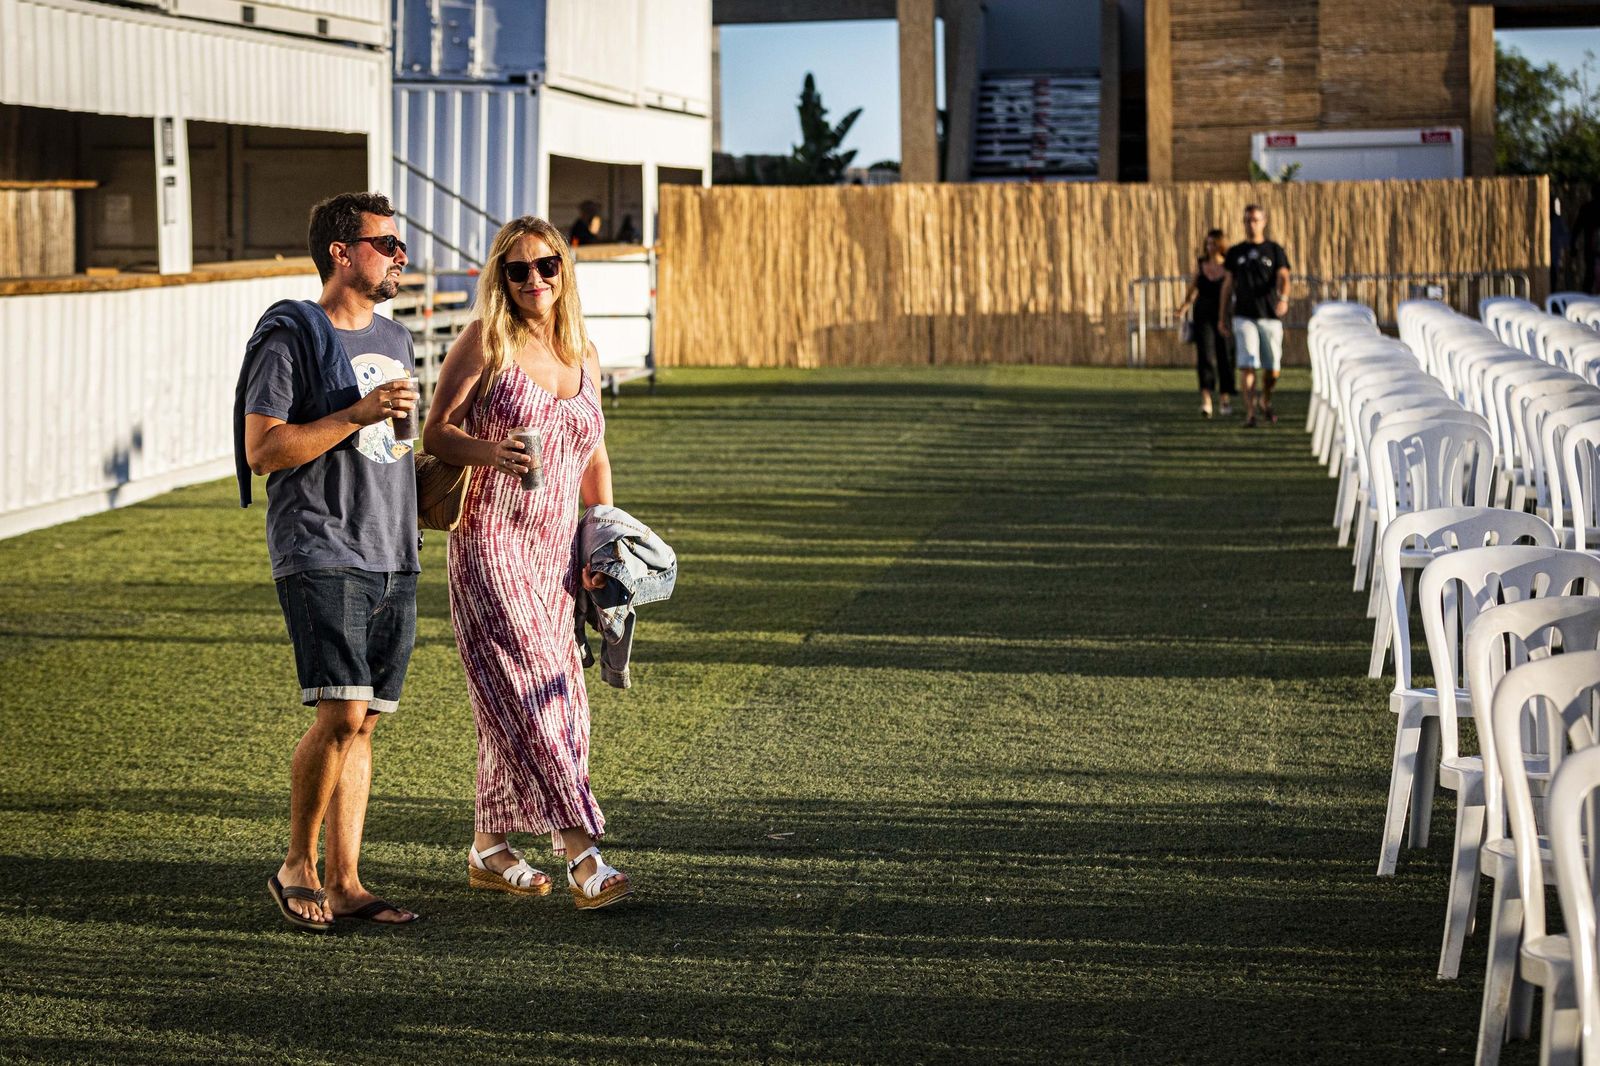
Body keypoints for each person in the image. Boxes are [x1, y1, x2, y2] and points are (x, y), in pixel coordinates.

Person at [422, 216, 633, 910]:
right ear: (501, 279)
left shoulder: (585, 352)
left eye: (546, 266)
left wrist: (600, 542)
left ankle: (488, 846)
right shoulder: (487, 339)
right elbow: (437, 431)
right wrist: (494, 454)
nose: (534, 280)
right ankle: (583, 853)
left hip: (554, 554)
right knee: (536, 698)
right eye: (518, 271)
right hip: (489, 543)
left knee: (538, 697)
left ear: (564, 270)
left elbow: (594, 456)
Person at [236, 191, 422, 931]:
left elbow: (396, 451)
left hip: (392, 549)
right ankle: (296, 866)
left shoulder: (399, 338)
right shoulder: (290, 335)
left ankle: (346, 881)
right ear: (341, 253)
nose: (399, 256)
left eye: (400, 244)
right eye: (385, 244)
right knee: (339, 710)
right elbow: (264, 449)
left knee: (365, 721)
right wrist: (355, 413)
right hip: (320, 545)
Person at [1219, 204, 1292, 428]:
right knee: (1248, 363)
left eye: (1256, 220)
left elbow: (1285, 277)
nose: (1252, 224)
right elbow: (1228, 285)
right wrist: (1223, 316)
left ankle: (1265, 399)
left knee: (1272, 369)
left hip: (1269, 315)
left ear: (1264, 221)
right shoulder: (1236, 252)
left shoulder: (1274, 250)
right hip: (1244, 316)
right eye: (1248, 220)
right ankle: (1250, 413)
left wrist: (1284, 298)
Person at [1178, 228, 1236, 418]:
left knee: (1224, 356)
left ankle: (1225, 398)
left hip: (1224, 315)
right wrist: (1184, 307)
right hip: (1203, 315)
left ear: (1221, 245)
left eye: (1213, 243)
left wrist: (1223, 318)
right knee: (1205, 356)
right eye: (1208, 243)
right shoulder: (1202, 265)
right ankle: (1206, 399)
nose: (1210, 247)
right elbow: (1193, 289)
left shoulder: (1229, 267)